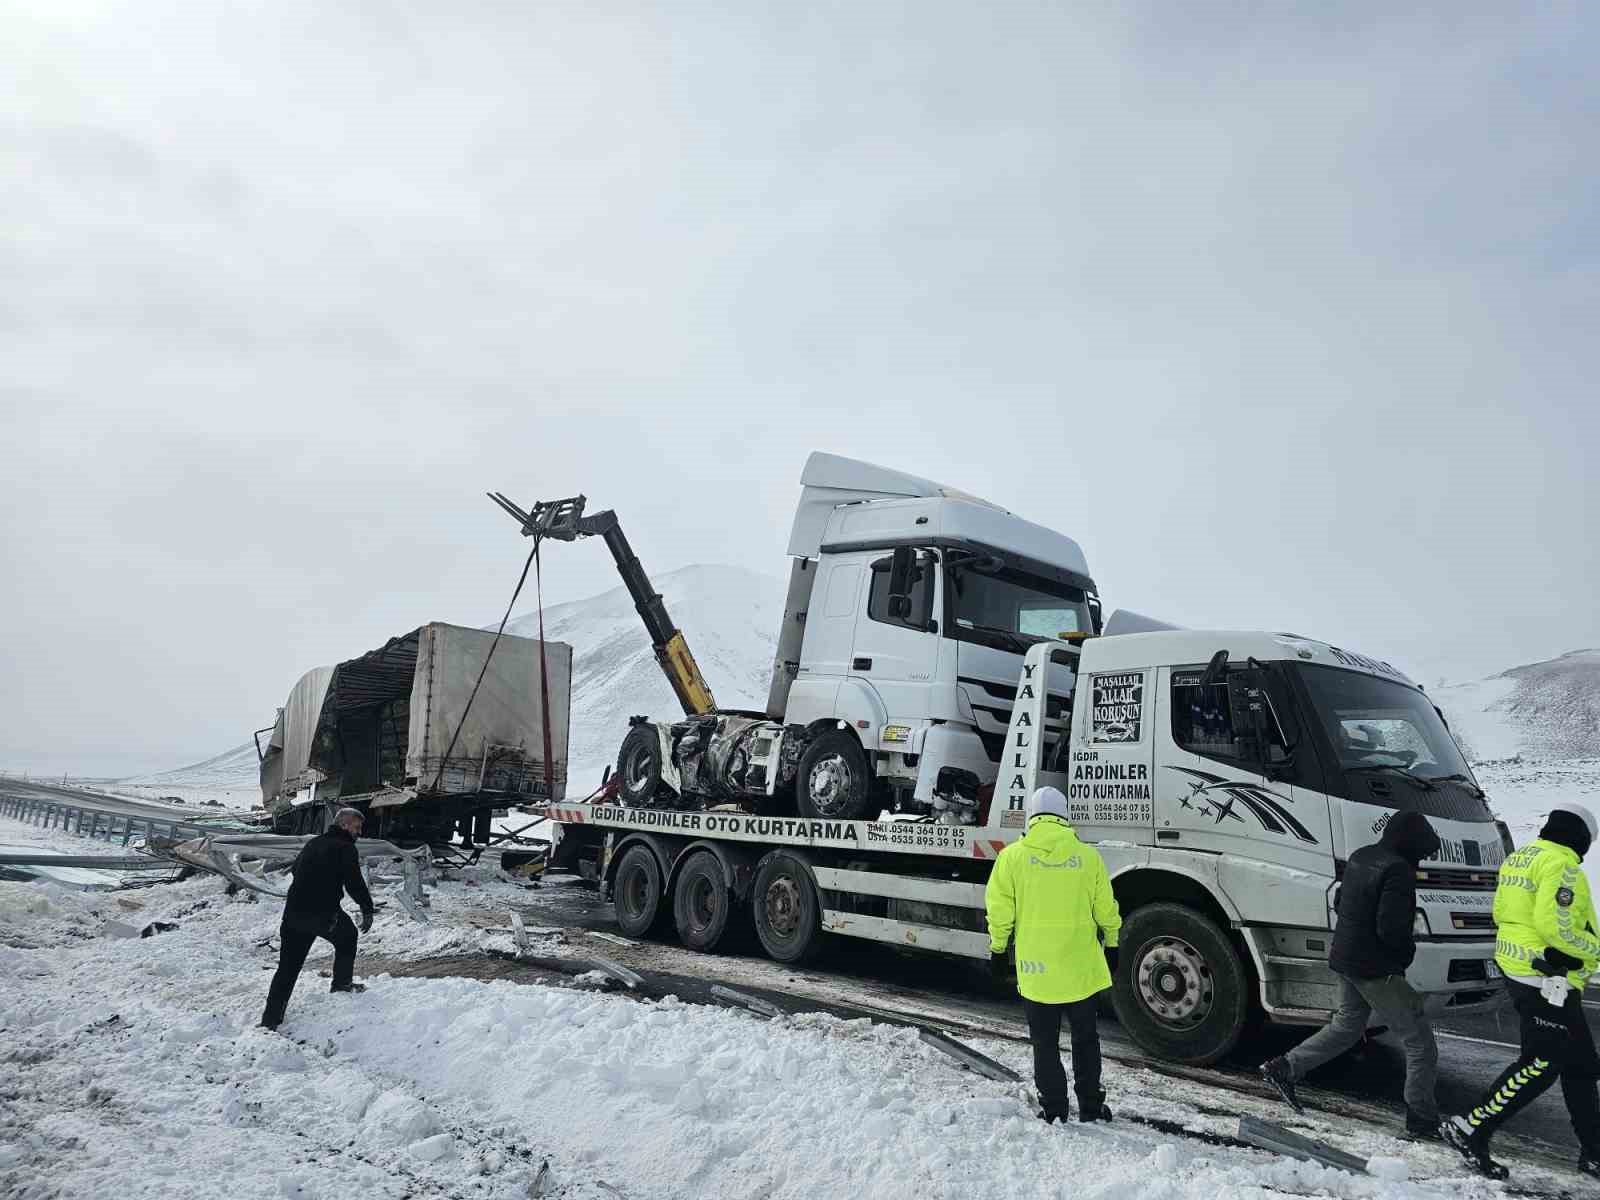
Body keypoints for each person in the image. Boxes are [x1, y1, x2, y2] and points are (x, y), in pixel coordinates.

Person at [1260, 810, 1442, 1138]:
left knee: (1347, 1026)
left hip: (1347, 959)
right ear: (1411, 842)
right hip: (1376, 969)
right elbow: (1391, 929)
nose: (1423, 860)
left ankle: (1284, 1068)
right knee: (1419, 1042)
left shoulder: (1362, 856)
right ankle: (1422, 1119)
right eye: (1423, 852)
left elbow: (1341, 900)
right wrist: (1405, 954)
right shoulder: (1398, 870)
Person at [1442, 803, 1600, 1180]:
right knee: (1542, 1062)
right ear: (1579, 836)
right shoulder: (1561, 865)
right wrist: (1591, 951)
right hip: (1547, 975)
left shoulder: (1522, 858)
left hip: (1521, 964)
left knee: (1580, 1066)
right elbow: (1555, 925)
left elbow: (1503, 912)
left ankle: (1594, 1152)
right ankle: (1470, 1127)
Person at [985, 785, 1121, 1123]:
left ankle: (1054, 1108)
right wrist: (1114, 942)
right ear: (1064, 817)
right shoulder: (1088, 857)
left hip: (1037, 971)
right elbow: (1106, 909)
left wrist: (998, 949)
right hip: (1081, 971)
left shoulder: (1012, 857)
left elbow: (1000, 911)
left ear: (1032, 818)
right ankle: (1090, 1106)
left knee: (1044, 1044)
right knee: (1086, 1040)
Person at [259, 807, 376, 1030]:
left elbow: (295, 870)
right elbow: (354, 882)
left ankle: (270, 1020)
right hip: (323, 913)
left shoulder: (314, 842)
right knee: (348, 935)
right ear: (344, 825)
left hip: (293, 913)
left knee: (287, 967)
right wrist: (367, 908)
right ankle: (341, 984)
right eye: (357, 827)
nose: (359, 832)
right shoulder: (346, 848)